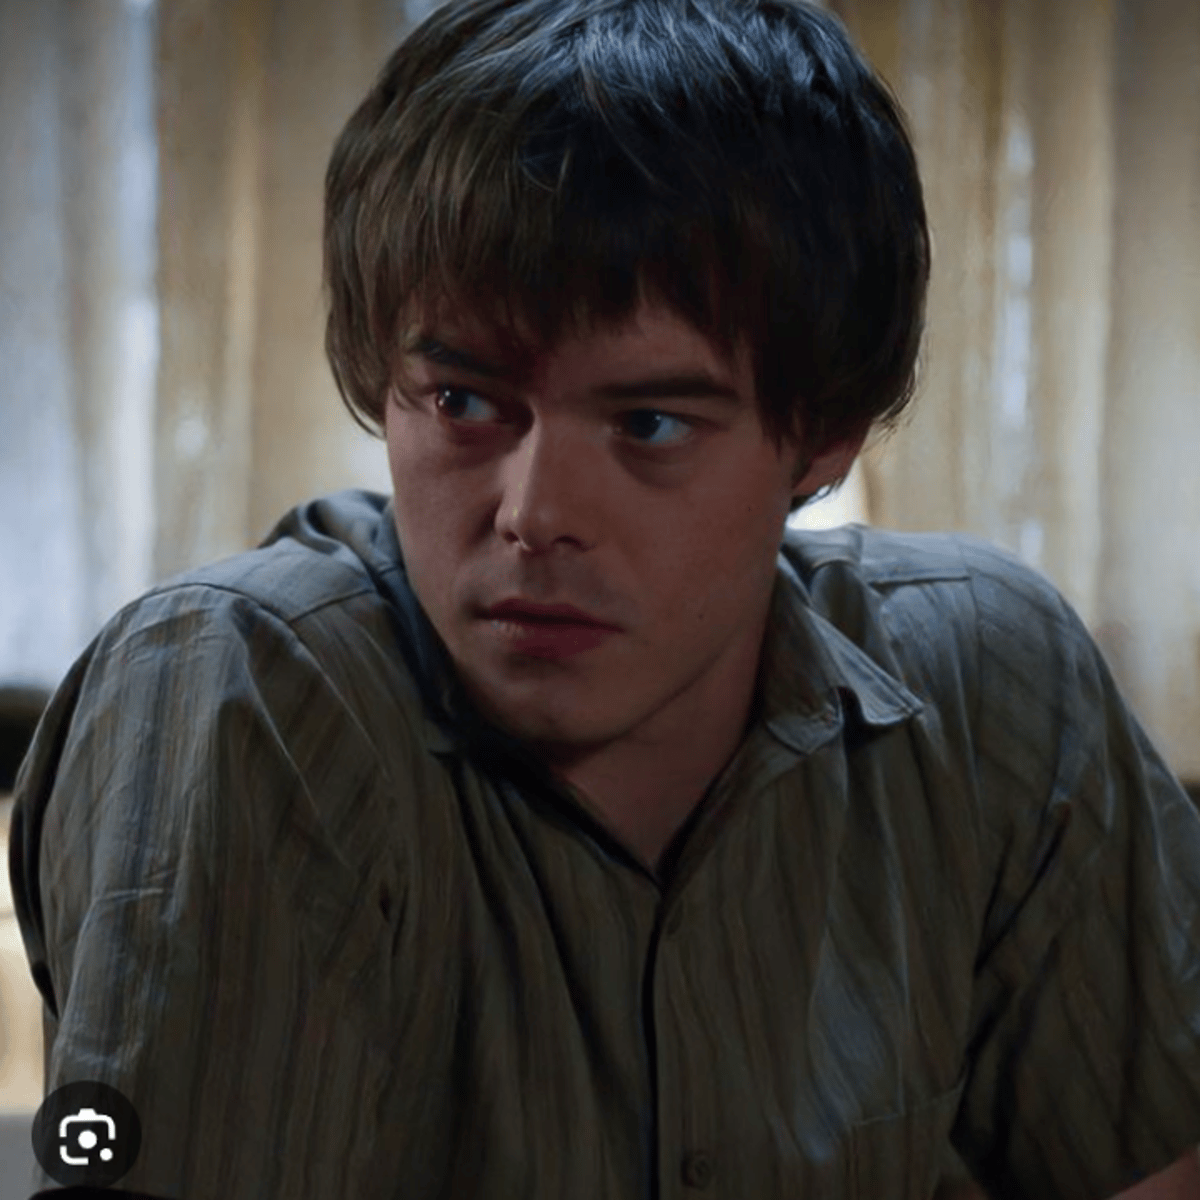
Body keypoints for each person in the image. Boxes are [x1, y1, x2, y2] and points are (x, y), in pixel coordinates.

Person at [9, 0, 1200, 1196]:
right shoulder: (245, 700)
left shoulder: (989, 688)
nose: (534, 514)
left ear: (823, 436)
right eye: (465, 402)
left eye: (650, 424)